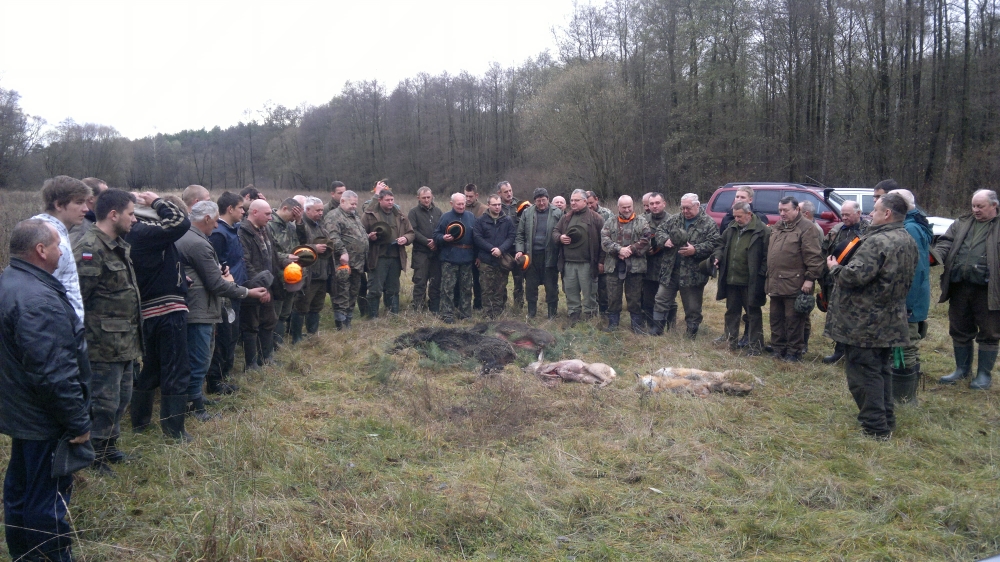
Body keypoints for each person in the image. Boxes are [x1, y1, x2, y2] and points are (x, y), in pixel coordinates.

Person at [1, 219, 92, 562]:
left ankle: (23, 556)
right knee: (46, 500)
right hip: (43, 418)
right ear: (41, 250)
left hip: (21, 411)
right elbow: (54, 373)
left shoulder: (10, 281)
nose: (63, 252)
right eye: (57, 245)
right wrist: (77, 422)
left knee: (20, 492)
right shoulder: (39, 299)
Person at [824, 193, 917, 439]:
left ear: (887, 213)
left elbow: (853, 276)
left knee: (864, 375)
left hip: (864, 321)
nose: (870, 214)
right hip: (888, 319)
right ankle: (886, 418)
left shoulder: (878, 241)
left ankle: (875, 427)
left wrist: (835, 269)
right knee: (880, 371)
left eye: (874, 210)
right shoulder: (907, 239)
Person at [176, 201, 268, 421]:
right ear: (207, 218)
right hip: (199, 309)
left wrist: (218, 269)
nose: (217, 226)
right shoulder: (196, 243)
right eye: (216, 221)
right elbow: (216, 284)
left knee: (202, 357)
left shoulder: (192, 238)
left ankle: (197, 397)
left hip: (201, 306)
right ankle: (193, 405)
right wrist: (248, 292)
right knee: (199, 359)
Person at [75, 189, 145, 468]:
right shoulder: (90, 249)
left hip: (124, 341)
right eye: (131, 213)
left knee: (120, 398)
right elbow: (77, 300)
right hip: (101, 344)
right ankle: (94, 455)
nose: (135, 219)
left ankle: (109, 445)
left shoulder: (116, 245)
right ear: (114, 214)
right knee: (103, 402)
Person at [125, 191, 193, 446]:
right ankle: (174, 431)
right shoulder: (144, 232)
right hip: (166, 311)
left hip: (151, 311)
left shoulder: (136, 234)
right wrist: (156, 200)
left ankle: (140, 422)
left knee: (152, 369)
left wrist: (178, 277)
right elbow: (180, 221)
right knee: (176, 368)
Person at [936, 189, 1000, 390]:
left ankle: (983, 375)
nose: (975, 210)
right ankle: (962, 370)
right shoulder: (961, 223)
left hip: (989, 289)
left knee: (989, 332)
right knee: (959, 329)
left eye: (980, 206)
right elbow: (945, 242)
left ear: (994, 206)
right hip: (959, 286)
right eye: (973, 206)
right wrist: (935, 256)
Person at [651, 193, 722, 338]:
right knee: (661, 299)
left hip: (693, 273)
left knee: (692, 306)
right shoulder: (675, 219)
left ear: (697, 205)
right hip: (671, 271)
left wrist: (695, 250)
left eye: (688, 208)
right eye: (682, 208)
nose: (685, 211)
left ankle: (691, 333)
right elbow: (660, 231)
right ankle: (657, 329)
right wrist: (665, 240)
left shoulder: (708, 223)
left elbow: (714, 244)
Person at [766, 196, 824, 361]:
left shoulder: (807, 228)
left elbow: (814, 257)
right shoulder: (778, 226)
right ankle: (778, 349)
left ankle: (794, 352)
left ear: (797, 209)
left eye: (786, 210)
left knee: (794, 320)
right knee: (776, 317)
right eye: (780, 210)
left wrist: (810, 279)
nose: (782, 213)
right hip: (775, 281)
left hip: (795, 283)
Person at [887, 189, 932, 393]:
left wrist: (907, 305)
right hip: (907, 299)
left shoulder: (911, 229)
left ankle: (904, 396)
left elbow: (916, 269)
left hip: (909, 301)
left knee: (906, 345)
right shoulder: (911, 224)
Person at [238, 199, 290, 370]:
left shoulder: (265, 229)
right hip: (252, 286)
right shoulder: (243, 232)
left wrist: (286, 261)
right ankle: (251, 363)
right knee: (251, 324)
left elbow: (272, 255)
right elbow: (245, 263)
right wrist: (260, 287)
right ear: (254, 212)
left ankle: (266, 358)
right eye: (267, 214)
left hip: (269, 285)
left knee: (268, 321)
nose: (270, 217)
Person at [713, 202, 770, 354]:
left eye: (739, 216)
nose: (736, 219)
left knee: (753, 314)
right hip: (732, 280)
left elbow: (767, 256)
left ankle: (755, 347)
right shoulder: (731, 228)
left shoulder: (762, 230)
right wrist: (718, 256)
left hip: (751, 282)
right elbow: (720, 244)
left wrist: (761, 274)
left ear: (749, 214)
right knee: (731, 312)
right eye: (735, 216)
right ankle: (730, 342)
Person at [32, 175, 90, 322]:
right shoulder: (55, 244)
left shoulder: (35, 226)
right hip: (56, 327)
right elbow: (36, 296)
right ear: (58, 205)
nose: (86, 209)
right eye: (79, 202)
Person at [206, 192, 246, 395]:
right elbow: (216, 267)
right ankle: (216, 380)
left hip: (235, 291)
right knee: (223, 337)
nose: (244, 211)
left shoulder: (233, 230)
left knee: (232, 335)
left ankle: (225, 375)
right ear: (230, 209)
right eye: (240, 208)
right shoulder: (219, 234)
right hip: (225, 296)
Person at [820, 200, 869, 363]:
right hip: (835, 280)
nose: (844, 217)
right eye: (842, 214)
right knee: (838, 317)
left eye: (848, 214)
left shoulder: (868, 232)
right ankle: (839, 351)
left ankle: (855, 354)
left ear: (858, 213)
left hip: (856, 281)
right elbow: (824, 252)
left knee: (854, 319)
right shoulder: (836, 230)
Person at [554, 189, 606, 324]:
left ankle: (590, 316)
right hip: (568, 263)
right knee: (570, 292)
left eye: (576, 200)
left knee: (589, 293)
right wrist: (560, 237)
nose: (573, 203)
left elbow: (604, 242)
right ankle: (574, 315)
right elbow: (555, 232)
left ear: (584, 201)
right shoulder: (566, 218)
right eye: (571, 200)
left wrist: (601, 261)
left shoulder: (596, 218)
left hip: (587, 263)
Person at [601, 195, 652, 332]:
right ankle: (613, 325)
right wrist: (619, 249)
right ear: (618, 207)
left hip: (635, 267)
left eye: (629, 206)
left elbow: (647, 240)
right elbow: (604, 240)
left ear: (633, 206)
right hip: (614, 266)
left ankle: (636, 326)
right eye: (624, 207)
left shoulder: (642, 222)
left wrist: (630, 250)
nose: (627, 209)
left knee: (635, 297)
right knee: (613, 296)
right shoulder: (610, 222)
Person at [362, 189, 414, 317]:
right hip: (377, 257)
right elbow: (360, 234)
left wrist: (405, 238)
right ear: (380, 200)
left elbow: (411, 233)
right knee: (375, 288)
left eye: (392, 200)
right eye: (387, 200)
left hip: (396, 256)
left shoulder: (400, 215)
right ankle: (372, 316)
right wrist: (370, 237)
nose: (390, 202)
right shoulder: (369, 215)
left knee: (393, 288)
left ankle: (393, 315)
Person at [515, 187, 563, 319]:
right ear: (534, 201)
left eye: (543, 200)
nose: (541, 203)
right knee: (530, 286)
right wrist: (519, 250)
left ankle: (552, 314)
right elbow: (520, 234)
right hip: (531, 256)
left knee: (551, 286)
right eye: (538, 201)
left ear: (548, 199)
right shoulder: (527, 213)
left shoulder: (557, 213)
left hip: (550, 255)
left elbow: (562, 233)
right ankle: (531, 313)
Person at [326, 191, 369, 329]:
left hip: (358, 263)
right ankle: (341, 324)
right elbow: (333, 237)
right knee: (342, 293)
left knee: (353, 292)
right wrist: (342, 251)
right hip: (343, 263)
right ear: (342, 201)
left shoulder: (354, 216)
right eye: (352, 204)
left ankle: (348, 321)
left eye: (356, 204)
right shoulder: (334, 216)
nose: (354, 206)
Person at [291, 197, 331, 340]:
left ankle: (312, 335)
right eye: (317, 210)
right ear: (307, 210)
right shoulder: (300, 225)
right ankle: (296, 338)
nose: (321, 213)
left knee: (316, 307)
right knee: (301, 306)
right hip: (308, 275)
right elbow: (298, 245)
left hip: (322, 274)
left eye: (322, 210)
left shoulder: (319, 225)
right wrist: (314, 248)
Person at [434, 193, 478, 323]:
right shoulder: (445, 217)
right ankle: (447, 314)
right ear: (451, 204)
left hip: (467, 258)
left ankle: (465, 314)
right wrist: (443, 238)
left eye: (463, 204)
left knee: (466, 288)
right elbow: (436, 235)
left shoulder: (471, 217)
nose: (461, 206)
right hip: (449, 258)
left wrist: (477, 256)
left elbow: (477, 237)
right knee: (447, 288)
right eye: (458, 204)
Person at [268, 198, 305, 345]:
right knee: (275, 313)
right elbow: (268, 252)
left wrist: (299, 222)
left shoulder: (291, 226)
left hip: (292, 276)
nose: (293, 218)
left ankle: (279, 343)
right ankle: (272, 345)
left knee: (285, 312)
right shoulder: (269, 225)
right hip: (277, 276)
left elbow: (302, 242)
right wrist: (285, 257)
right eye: (293, 215)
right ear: (284, 209)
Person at [473, 194, 516, 319]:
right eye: (494, 205)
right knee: (486, 289)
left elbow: (511, 237)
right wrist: (491, 249)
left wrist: (501, 249)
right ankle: (487, 314)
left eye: (499, 204)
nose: (497, 207)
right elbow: (477, 237)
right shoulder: (481, 220)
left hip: (502, 259)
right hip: (486, 260)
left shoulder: (507, 220)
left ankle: (498, 314)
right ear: (488, 205)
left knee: (500, 288)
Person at [408, 186, 443, 312]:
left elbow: (442, 229)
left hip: (436, 252)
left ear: (432, 196)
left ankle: (434, 308)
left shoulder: (438, 212)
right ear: (418, 198)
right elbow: (413, 231)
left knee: (436, 282)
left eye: (428, 197)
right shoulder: (413, 213)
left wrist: (437, 241)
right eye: (424, 198)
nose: (427, 200)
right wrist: (426, 242)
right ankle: (418, 308)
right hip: (421, 252)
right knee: (420, 281)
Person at [642, 193, 671, 328]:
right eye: (651, 203)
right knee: (648, 297)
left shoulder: (672, 220)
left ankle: (669, 325)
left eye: (657, 203)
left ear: (664, 203)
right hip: (647, 265)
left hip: (666, 266)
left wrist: (660, 246)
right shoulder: (642, 219)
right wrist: (645, 248)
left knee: (667, 298)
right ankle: (651, 325)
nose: (654, 206)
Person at [498, 181, 525, 311]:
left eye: (510, 190)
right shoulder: (496, 206)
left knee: (519, 279)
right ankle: (502, 305)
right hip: (503, 248)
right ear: (499, 193)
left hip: (518, 248)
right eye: (505, 192)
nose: (509, 194)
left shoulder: (520, 205)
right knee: (502, 280)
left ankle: (518, 306)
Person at [586, 191, 614, 314]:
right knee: (590, 285)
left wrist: (602, 260)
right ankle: (592, 310)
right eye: (586, 203)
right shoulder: (582, 214)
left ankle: (605, 312)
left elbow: (612, 235)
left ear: (596, 199)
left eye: (591, 203)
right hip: (589, 255)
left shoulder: (607, 214)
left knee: (603, 285)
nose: (589, 206)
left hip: (604, 255)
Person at [464, 183, 487, 310]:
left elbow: (485, 234)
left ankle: (478, 304)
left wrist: (479, 255)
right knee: (464, 279)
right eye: (466, 196)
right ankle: (463, 304)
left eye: (470, 196)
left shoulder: (483, 209)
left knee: (478, 279)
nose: (468, 199)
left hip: (478, 249)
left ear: (476, 195)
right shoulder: (460, 206)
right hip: (464, 249)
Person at [69, 176, 108, 244]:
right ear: (91, 199)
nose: (109, 200)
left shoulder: (92, 221)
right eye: (105, 196)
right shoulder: (82, 227)